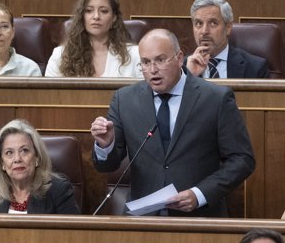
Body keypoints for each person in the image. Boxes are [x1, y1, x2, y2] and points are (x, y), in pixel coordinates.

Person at [90, 28, 255, 217]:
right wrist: (105, 145)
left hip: (199, 219)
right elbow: (106, 166)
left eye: (160, 60)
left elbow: (242, 160)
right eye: (145, 62)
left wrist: (200, 194)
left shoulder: (215, 98)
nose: (152, 70)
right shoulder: (124, 100)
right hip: (142, 222)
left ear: (179, 58)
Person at [0, 119, 80, 214]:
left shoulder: (58, 191)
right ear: (1, 163)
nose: (17, 159)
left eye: (24, 151)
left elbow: (73, 236)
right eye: (9, 153)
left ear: (37, 157)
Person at [45, 0, 141, 78]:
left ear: (114, 18)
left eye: (103, 11)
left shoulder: (134, 54)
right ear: (82, 17)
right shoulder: (60, 56)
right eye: (89, 11)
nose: (96, 16)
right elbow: (49, 94)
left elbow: (144, 93)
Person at [184, 0, 269, 79]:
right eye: (199, 23)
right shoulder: (181, 68)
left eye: (213, 23)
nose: (204, 31)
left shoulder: (255, 67)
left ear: (228, 28)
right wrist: (189, 77)